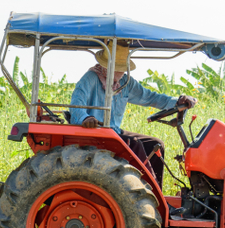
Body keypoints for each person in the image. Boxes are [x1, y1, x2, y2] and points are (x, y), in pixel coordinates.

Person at [68, 45, 196, 187]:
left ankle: (157, 193)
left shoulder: (125, 82)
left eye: (124, 67)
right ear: (107, 66)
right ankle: (147, 192)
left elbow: (149, 97)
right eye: (118, 67)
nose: (122, 71)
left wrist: (177, 102)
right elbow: (76, 105)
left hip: (114, 131)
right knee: (134, 144)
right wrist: (85, 118)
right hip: (97, 133)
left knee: (156, 145)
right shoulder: (90, 78)